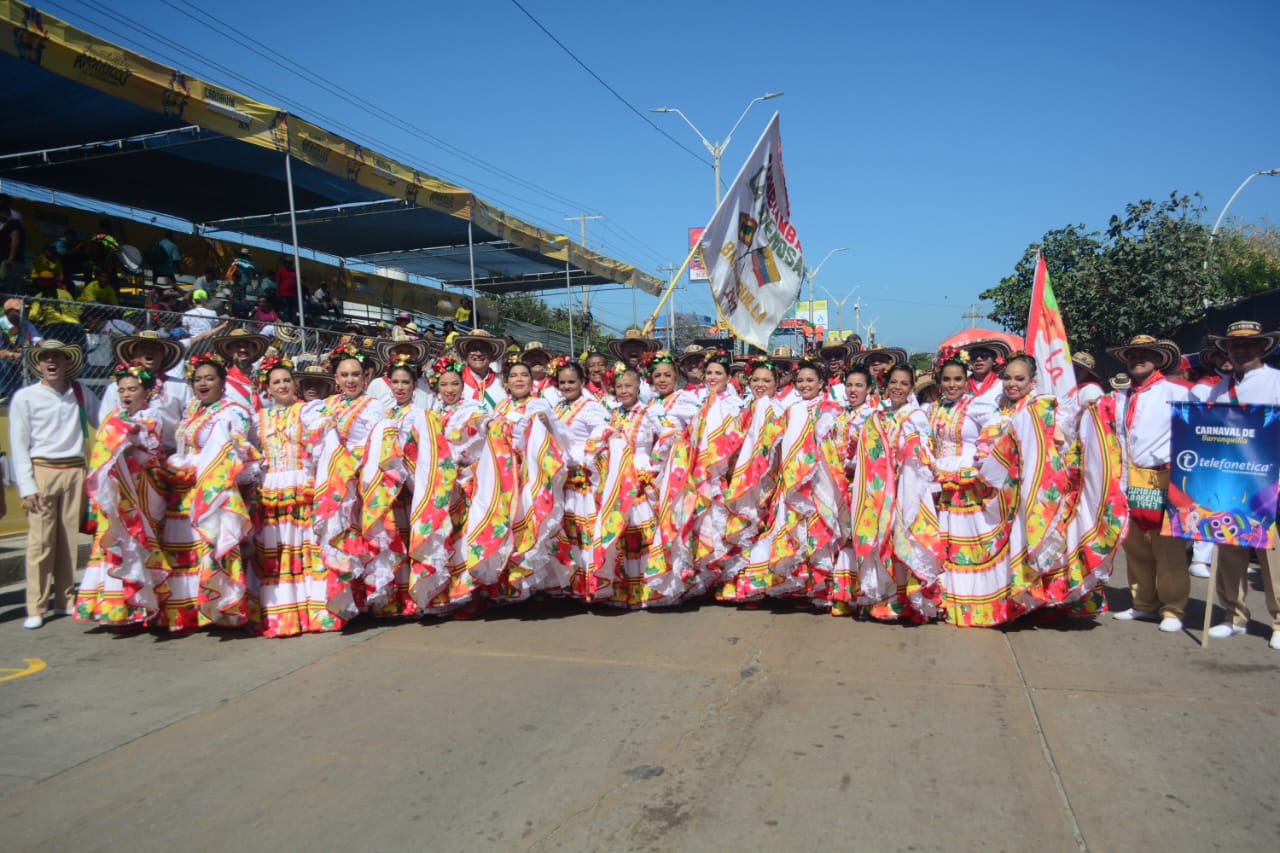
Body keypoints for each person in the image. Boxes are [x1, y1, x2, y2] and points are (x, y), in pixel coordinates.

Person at [156, 353, 256, 632]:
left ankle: (218, 606)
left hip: (213, 493)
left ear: (222, 383)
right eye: (198, 379)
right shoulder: (192, 409)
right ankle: (186, 611)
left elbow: (234, 453)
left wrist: (198, 466)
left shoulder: (232, 411)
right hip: (183, 491)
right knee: (185, 551)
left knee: (209, 548)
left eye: (209, 378)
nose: (203, 383)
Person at [736, 359, 847, 605]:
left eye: (810, 380)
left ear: (821, 383)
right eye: (801, 381)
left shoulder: (830, 409)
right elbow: (773, 441)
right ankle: (794, 585)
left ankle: (819, 588)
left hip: (819, 481)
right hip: (792, 481)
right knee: (791, 530)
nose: (805, 384)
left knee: (818, 530)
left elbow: (836, 444)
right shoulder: (791, 409)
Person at [839, 362, 941, 621]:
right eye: (894, 382)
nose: (898, 387)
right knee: (883, 541)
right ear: (885, 384)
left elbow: (923, 455)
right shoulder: (877, 416)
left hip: (906, 487)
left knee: (903, 540)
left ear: (910, 389)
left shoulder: (915, 417)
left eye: (904, 383)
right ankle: (886, 600)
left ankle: (910, 602)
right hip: (881, 490)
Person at [9, 340, 101, 629]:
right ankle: (36, 606)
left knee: (68, 539)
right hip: (43, 470)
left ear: (66, 363)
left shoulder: (80, 392)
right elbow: (19, 444)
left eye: (57, 357)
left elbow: (105, 421)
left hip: (74, 470)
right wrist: (27, 487)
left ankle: (65, 600)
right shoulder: (26, 397)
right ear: (38, 364)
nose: (51, 362)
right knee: (40, 542)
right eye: (45, 358)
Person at [1202, 321, 1280, 650]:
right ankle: (1234, 616)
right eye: (1235, 346)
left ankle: (1278, 621)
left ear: (1262, 347)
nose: (1241, 350)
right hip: (1229, 479)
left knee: (1270, 554)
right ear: (1227, 350)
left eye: (1249, 345)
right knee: (1229, 547)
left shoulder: (1276, 381)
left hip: (1268, 479)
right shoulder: (1219, 388)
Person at [359, 355, 454, 618]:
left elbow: (431, 454)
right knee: (395, 541)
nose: (400, 387)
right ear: (389, 385)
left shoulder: (422, 415)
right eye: (396, 382)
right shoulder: (383, 416)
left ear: (415, 386)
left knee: (415, 540)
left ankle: (423, 598)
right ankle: (397, 599)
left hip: (413, 488)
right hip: (391, 491)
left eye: (405, 382)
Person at [1106, 334, 1189, 633]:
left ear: (1158, 359)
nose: (1137, 359)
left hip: (1162, 476)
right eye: (1131, 355)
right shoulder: (1120, 396)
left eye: (1144, 354)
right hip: (1129, 476)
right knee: (1136, 545)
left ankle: (1173, 608)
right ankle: (1142, 603)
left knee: (1167, 547)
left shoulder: (1177, 393)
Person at [73, 364, 167, 627]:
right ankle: (116, 606)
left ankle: (146, 606)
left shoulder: (152, 416)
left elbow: (139, 442)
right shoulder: (116, 417)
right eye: (122, 389)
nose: (126, 394)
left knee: (140, 541)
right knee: (116, 541)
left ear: (147, 392)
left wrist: (120, 432)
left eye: (132, 389)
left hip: (143, 488)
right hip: (117, 488)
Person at [424, 354, 514, 618]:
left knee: (466, 539)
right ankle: (447, 595)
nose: (450, 389)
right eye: (444, 385)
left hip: (464, 483)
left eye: (454, 384)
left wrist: (488, 423)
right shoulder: (431, 413)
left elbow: (479, 421)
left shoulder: (470, 408)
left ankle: (474, 594)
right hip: (439, 484)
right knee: (444, 540)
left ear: (462, 387)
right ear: (436, 387)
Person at [312, 344, 386, 619]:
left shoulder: (373, 405)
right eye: (344, 375)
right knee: (337, 537)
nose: (350, 380)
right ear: (336, 379)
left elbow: (377, 442)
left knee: (362, 536)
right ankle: (342, 599)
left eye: (355, 374)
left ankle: (364, 597)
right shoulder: (327, 405)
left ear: (365, 377)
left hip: (360, 480)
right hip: (334, 481)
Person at [491, 358, 566, 600]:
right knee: (511, 529)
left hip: (531, 477)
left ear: (531, 381)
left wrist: (547, 426)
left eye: (524, 375)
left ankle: (539, 586)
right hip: (506, 478)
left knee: (534, 527)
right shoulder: (500, 408)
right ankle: (513, 586)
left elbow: (556, 438)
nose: (519, 379)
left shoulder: (538, 405)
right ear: (506, 381)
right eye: (514, 375)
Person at [592, 368, 665, 608]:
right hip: (616, 480)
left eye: (629, 386)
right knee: (621, 533)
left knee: (641, 534)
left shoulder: (650, 412)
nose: (624, 391)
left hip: (641, 476)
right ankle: (623, 589)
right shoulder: (611, 415)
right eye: (620, 387)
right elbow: (595, 439)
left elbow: (667, 435)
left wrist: (655, 463)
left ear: (639, 387)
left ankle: (646, 588)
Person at [548, 360, 608, 599]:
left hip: (583, 477)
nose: (566, 386)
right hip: (563, 478)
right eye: (562, 382)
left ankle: (590, 583)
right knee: (567, 530)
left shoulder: (592, 407)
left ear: (582, 382)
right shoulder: (558, 408)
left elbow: (603, 432)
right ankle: (570, 583)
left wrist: (586, 458)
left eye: (572, 381)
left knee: (585, 530)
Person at [213, 329, 271, 413]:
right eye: (237, 346)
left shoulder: (267, 377)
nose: (243, 349)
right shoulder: (223, 384)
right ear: (229, 351)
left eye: (247, 345)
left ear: (254, 350)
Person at [454, 330, 508, 411]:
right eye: (473, 349)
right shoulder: (455, 381)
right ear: (466, 355)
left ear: (491, 355)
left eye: (484, 349)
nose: (478, 353)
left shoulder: (503, 382)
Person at [0, 200, 26, 292]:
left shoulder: (14, 224)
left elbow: (15, 241)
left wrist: (11, 259)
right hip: (8, 261)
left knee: (8, 288)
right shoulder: (6, 226)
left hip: (12, 263)